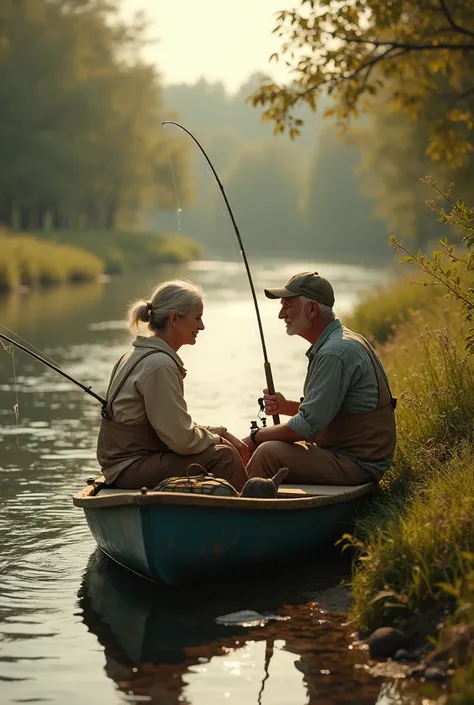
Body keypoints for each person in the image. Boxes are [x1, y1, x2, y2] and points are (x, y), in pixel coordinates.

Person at [243, 271, 396, 485]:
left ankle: (247, 511)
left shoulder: (334, 353)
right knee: (268, 445)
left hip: (357, 463)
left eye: (287, 305)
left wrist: (255, 437)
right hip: (349, 454)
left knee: (268, 452)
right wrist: (286, 407)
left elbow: (306, 427)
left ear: (312, 309)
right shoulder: (339, 340)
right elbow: (328, 412)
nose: (281, 315)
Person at [97, 279, 249, 491]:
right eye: (197, 318)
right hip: (130, 469)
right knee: (224, 456)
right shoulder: (160, 365)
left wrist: (219, 432)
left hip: (123, 466)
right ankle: (250, 514)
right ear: (174, 319)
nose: (202, 326)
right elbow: (182, 440)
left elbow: (170, 427)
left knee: (219, 448)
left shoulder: (133, 355)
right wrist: (217, 439)